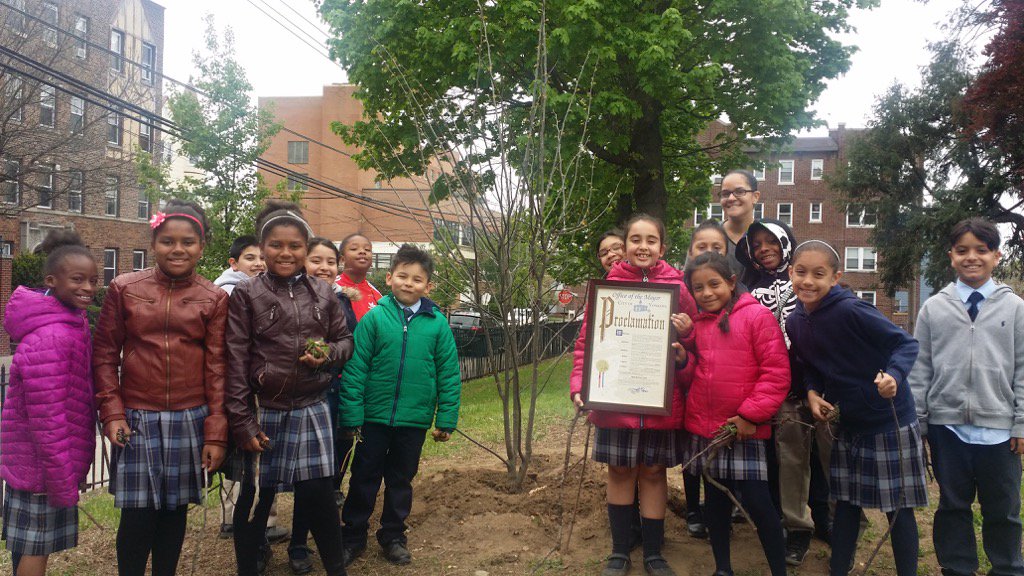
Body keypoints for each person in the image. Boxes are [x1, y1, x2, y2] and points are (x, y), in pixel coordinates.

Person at [93, 200, 229, 576]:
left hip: (190, 417)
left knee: (174, 511)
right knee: (137, 515)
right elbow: (104, 355)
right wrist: (112, 412)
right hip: (137, 416)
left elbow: (218, 367)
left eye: (188, 242)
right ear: (153, 243)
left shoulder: (214, 298)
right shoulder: (124, 288)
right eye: (168, 241)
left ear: (202, 246)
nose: (178, 249)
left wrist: (216, 431)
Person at [225, 201, 353, 576]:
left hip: (312, 405)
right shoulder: (246, 294)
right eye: (276, 245)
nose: (286, 252)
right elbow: (235, 360)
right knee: (255, 497)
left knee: (319, 495)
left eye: (295, 245)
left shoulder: (324, 293)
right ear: (262, 248)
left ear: (305, 249)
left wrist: (327, 354)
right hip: (264, 408)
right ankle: (248, 568)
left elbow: (345, 342)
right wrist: (242, 422)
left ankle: (336, 569)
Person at [786, 240, 926, 576]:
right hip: (848, 422)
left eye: (818, 274)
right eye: (801, 272)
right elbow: (809, 365)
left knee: (898, 508)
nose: (808, 281)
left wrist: (894, 376)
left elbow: (905, 343)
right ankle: (838, 569)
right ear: (790, 273)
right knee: (846, 503)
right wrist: (812, 392)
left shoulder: (852, 310)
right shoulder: (795, 321)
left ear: (835, 277)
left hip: (888, 420)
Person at [569, 214, 698, 576]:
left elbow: (696, 341)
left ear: (663, 247)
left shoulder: (679, 287)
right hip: (616, 402)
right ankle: (619, 551)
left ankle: (654, 553)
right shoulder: (608, 288)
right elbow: (586, 342)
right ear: (624, 246)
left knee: (654, 474)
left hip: (660, 403)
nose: (643, 246)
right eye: (635, 240)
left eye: (651, 240)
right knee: (620, 471)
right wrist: (580, 384)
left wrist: (687, 335)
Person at [909, 217, 1024, 576]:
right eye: (962, 250)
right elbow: (920, 367)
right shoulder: (934, 308)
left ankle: (1007, 568)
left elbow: (1023, 368)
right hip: (947, 429)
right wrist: (919, 422)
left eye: (981, 250)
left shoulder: (1015, 308)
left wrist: (1021, 422)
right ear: (951, 256)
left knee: (1003, 510)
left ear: (996, 256)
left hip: (1000, 432)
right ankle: (957, 568)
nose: (971, 257)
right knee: (953, 506)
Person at [339, 244, 461, 567]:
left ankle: (393, 536)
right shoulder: (374, 319)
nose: (409, 283)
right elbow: (356, 368)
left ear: (428, 287)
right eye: (403, 276)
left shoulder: (437, 325)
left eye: (417, 279)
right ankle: (352, 536)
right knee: (363, 477)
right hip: (374, 418)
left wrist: (446, 419)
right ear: (390, 278)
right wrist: (352, 414)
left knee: (400, 481)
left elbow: (449, 373)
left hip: (413, 420)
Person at [681, 251, 790, 576]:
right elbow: (693, 375)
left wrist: (749, 416)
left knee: (759, 503)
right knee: (715, 502)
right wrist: (682, 360)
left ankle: (779, 570)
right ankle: (723, 569)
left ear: (731, 282)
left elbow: (776, 373)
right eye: (698, 288)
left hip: (743, 430)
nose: (706, 293)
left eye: (714, 284)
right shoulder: (698, 325)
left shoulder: (757, 317)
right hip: (708, 431)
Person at [1, 231, 98, 576]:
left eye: (93, 280)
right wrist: (61, 477)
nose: (88, 287)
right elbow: (47, 419)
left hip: (43, 462)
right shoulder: (52, 336)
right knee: (35, 546)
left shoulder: (70, 321)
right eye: (77, 279)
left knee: (32, 545)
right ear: (51, 281)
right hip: (41, 464)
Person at [736, 219, 824, 565]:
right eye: (757, 244)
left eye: (771, 241)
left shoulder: (805, 279)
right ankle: (793, 528)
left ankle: (832, 522)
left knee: (825, 459)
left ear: (786, 242)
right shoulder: (748, 290)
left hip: (817, 386)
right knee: (785, 461)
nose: (764, 249)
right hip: (775, 391)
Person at [286, 237, 357, 575]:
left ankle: (326, 540)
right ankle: (297, 543)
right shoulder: (291, 298)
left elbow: (349, 346)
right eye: (316, 260)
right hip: (302, 395)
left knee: (328, 477)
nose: (324, 267)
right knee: (308, 478)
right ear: (303, 262)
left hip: (337, 394)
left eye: (331, 261)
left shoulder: (342, 301)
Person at [213, 235, 287, 545]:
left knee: (242, 452)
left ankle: (232, 518)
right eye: (250, 257)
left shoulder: (225, 289)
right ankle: (260, 521)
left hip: (240, 382)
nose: (258, 263)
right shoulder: (232, 292)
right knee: (256, 449)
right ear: (234, 263)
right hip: (245, 382)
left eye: (261, 258)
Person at [679, 219, 733, 540]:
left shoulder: (730, 293)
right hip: (688, 382)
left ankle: (719, 511)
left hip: (722, 390)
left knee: (719, 455)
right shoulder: (682, 290)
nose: (708, 251)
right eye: (702, 246)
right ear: (690, 252)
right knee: (692, 455)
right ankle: (692, 509)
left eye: (717, 247)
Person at [336, 233, 381, 321]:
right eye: (354, 248)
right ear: (342, 259)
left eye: (367, 249)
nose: (362, 252)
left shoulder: (377, 295)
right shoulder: (331, 287)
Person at [718, 170, 760, 256]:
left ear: (755, 197)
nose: (731, 198)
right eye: (725, 193)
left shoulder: (770, 236)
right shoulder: (707, 236)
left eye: (740, 192)